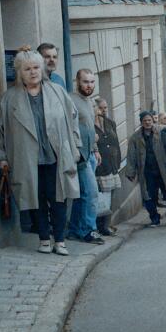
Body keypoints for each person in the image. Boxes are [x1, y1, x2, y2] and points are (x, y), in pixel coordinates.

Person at [0, 47, 81, 256]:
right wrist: (2, 157)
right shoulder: (9, 99)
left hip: (55, 156)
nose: (32, 72)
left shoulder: (57, 92)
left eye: (35, 68)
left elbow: (73, 119)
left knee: (59, 198)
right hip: (26, 158)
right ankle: (43, 239)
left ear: (41, 69)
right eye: (27, 69)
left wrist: (75, 146)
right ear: (19, 72)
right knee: (36, 200)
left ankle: (59, 240)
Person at [67, 69, 104, 245]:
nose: (89, 86)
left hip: (89, 153)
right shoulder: (71, 100)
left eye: (91, 82)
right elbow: (69, 130)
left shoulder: (89, 102)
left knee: (82, 194)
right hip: (80, 155)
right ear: (77, 82)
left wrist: (96, 149)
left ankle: (74, 229)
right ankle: (89, 230)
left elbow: (90, 128)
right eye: (85, 82)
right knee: (91, 193)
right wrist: (77, 153)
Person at [124, 111, 166, 228]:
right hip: (147, 171)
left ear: (153, 120)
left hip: (163, 168)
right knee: (149, 196)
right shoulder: (135, 137)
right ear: (141, 122)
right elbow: (131, 155)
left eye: (149, 120)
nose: (147, 122)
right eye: (145, 120)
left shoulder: (162, 131)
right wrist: (131, 171)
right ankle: (154, 218)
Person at [93, 97, 121, 237]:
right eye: (100, 108)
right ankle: (99, 226)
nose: (103, 111)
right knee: (100, 198)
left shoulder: (110, 123)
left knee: (110, 197)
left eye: (105, 108)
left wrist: (118, 161)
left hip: (112, 165)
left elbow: (116, 143)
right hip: (99, 167)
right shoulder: (90, 125)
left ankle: (107, 225)